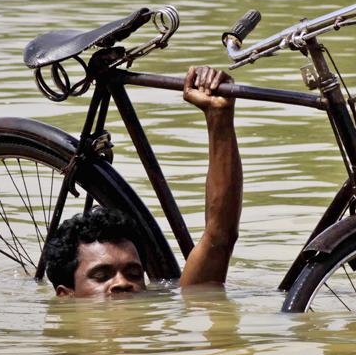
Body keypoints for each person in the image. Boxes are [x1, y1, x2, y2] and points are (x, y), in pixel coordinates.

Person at [43, 66, 243, 297]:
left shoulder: (170, 313)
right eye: (101, 275)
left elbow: (219, 236)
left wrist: (219, 114)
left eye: (134, 273)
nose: (122, 283)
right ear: (65, 295)